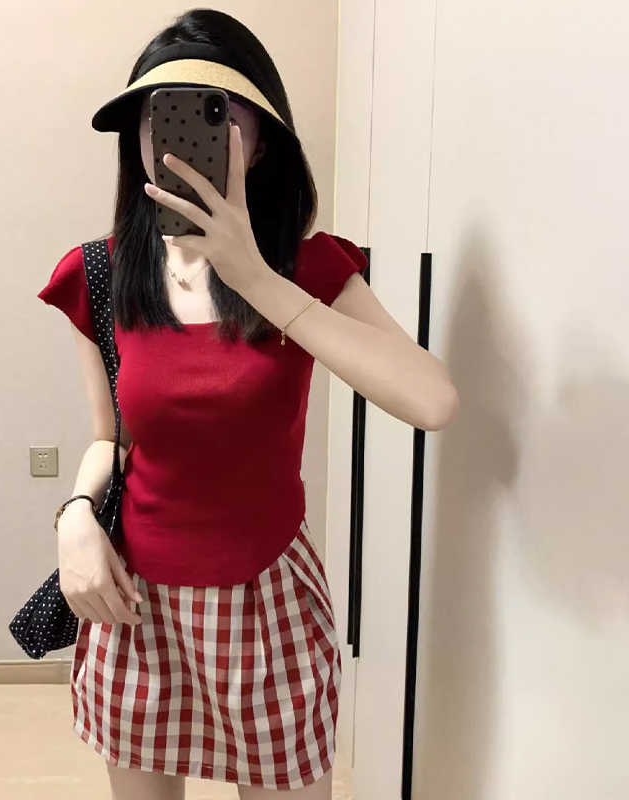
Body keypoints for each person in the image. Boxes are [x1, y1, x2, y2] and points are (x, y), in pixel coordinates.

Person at [38, 9, 458, 800]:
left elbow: (432, 400)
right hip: (136, 605)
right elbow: (111, 439)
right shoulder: (100, 274)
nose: (180, 135)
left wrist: (255, 276)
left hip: (268, 601)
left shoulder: (310, 267)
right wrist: (74, 519)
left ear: (262, 141)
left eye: (218, 112)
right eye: (158, 115)